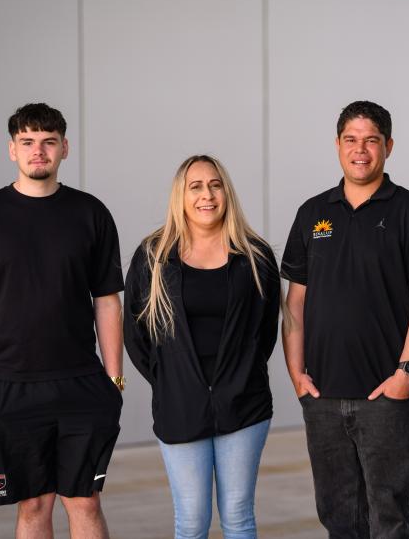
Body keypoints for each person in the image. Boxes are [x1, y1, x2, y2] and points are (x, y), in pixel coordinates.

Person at [0, 103, 125, 539]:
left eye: (48, 142)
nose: (38, 151)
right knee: (33, 503)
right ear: (12, 150)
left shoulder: (91, 214)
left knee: (84, 500)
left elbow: (107, 300)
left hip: (81, 381)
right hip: (12, 385)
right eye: (27, 142)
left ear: (65, 147)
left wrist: (114, 380)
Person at [281, 100, 409, 538]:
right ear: (337, 145)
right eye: (351, 140)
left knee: (389, 521)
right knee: (339, 520)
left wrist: (405, 374)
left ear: (388, 146)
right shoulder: (312, 213)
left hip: (385, 398)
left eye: (371, 140)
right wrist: (296, 373)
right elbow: (294, 302)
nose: (360, 150)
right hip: (323, 397)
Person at [124, 155, 280, 539]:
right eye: (196, 186)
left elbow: (266, 332)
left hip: (244, 405)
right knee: (191, 521)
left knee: (238, 518)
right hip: (180, 407)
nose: (206, 195)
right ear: (181, 195)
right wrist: (170, 380)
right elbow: (135, 334)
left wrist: (239, 375)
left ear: (226, 192)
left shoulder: (256, 257)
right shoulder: (153, 257)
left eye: (215, 185)